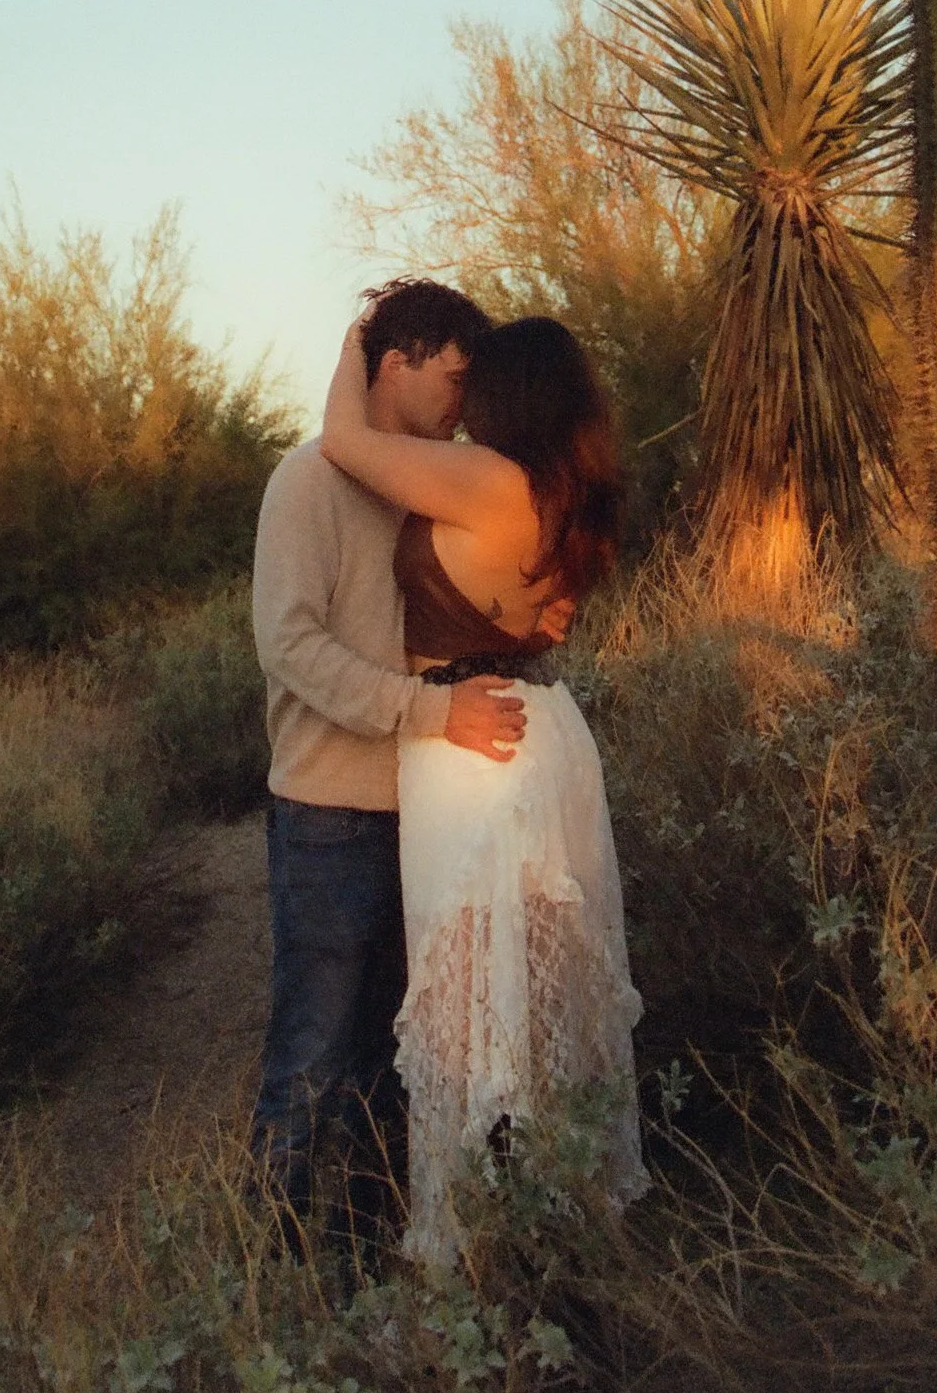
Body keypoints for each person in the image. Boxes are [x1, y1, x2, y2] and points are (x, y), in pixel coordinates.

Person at [320, 305, 645, 1267]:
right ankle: (565, 1224)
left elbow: (344, 440)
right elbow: (545, 618)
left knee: (467, 1001)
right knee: (544, 991)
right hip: (543, 732)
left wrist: (358, 342)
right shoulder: (567, 491)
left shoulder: (485, 478)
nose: (462, 401)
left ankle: (471, 1249)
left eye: (476, 383)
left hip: (469, 755)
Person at [249, 279, 518, 1249]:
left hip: (424, 807)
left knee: (394, 1058)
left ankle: (362, 1254)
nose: (459, 399)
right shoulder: (305, 482)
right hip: (327, 813)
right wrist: (430, 711)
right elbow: (289, 644)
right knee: (312, 1054)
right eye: (449, 373)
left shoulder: (424, 482)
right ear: (394, 361)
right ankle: (268, 1268)